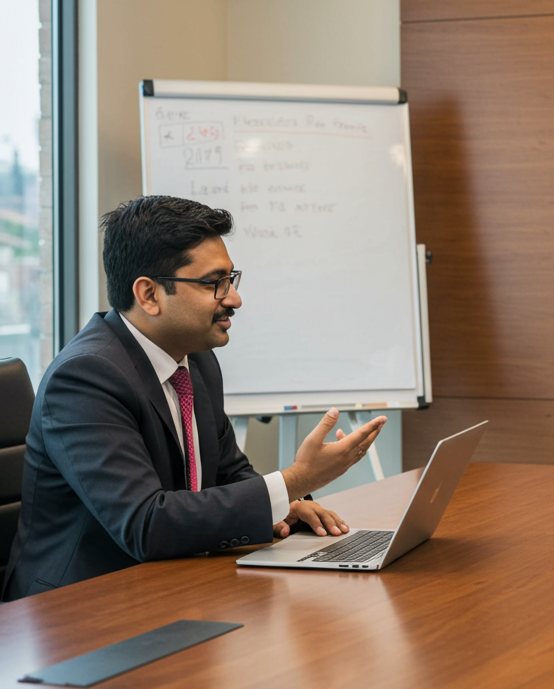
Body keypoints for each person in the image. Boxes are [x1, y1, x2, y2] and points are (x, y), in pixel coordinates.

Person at [3, 195, 385, 601]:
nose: (234, 299)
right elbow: (145, 524)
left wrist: (282, 503)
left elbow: (227, 473)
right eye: (212, 283)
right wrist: (295, 480)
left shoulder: (196, 361)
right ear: (149, 295)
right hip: (77, 610)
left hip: (170, 586)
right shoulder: (85, 377)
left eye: (230, 279)